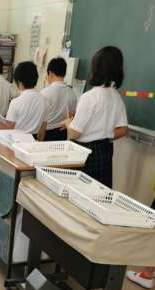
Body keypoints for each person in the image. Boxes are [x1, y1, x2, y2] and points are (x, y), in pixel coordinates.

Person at [64, 46, 128, 188]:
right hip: (105, 150)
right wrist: (105, 134)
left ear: (96, 69)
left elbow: (74, 133)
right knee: (100, 194)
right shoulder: (116, 97)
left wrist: (68, 122)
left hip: (84, 153)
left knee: (79, 193)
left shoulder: (90, 96)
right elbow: (123, 129)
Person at [0, 61, 48, 139]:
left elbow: (8, 129)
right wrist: (38, 143)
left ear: (19, 82)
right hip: (33, 141)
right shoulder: (44, 100)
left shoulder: (16, 102)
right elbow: (43, 126)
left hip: (17, 141)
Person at [41, 57, 77, 141]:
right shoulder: (72, 93)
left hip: (45, 133)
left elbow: (40, 118)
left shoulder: (44, 93)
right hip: (62, 133)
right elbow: (72, 116)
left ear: (50, 73)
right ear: (64, 74)